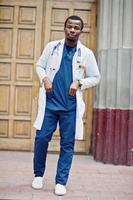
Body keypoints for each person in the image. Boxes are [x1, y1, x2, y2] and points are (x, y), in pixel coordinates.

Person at [32, 15, 100, 195]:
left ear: (81, 31)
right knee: (41, 138)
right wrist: (45, 78)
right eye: (70, 26)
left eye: (76, 28)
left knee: (67, 144)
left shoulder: (86, 53)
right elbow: (39, 65)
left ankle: (61, 182)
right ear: (64, 28)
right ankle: (38, 175)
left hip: (70, 107)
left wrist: (79, 83)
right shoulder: (52, 47)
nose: (72, 30)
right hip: (50, 104)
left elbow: (96, 77)